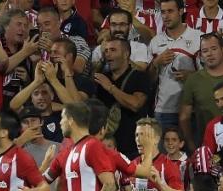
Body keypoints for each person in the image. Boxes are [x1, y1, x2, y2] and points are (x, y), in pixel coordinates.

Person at [149, 0, 202, 128]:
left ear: (181, 11)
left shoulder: (198, 37)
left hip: (192, 110)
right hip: (163, 111)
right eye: (163, 12)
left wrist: (193, 76)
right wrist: (156, 62)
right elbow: (148, 80)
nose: (166, 16)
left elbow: (210, 74)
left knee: (192, 148)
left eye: (170, 11)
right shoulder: (155, 41)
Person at [95, 38, 150, 159]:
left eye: (113, 50)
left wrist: (110, 87)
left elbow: (136, 104)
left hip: (132, 149)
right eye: (106, 50)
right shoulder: (101, 78)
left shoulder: (139, 77)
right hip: (105, 148)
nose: (108, 53)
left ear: (126, 54)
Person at [180, 32, 223, 151]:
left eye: (214, 49)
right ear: (201, 56)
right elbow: (184, 116)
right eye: (205, 51)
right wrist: (191, 144)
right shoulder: (193, 80)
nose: (209, 54)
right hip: (207, 148)